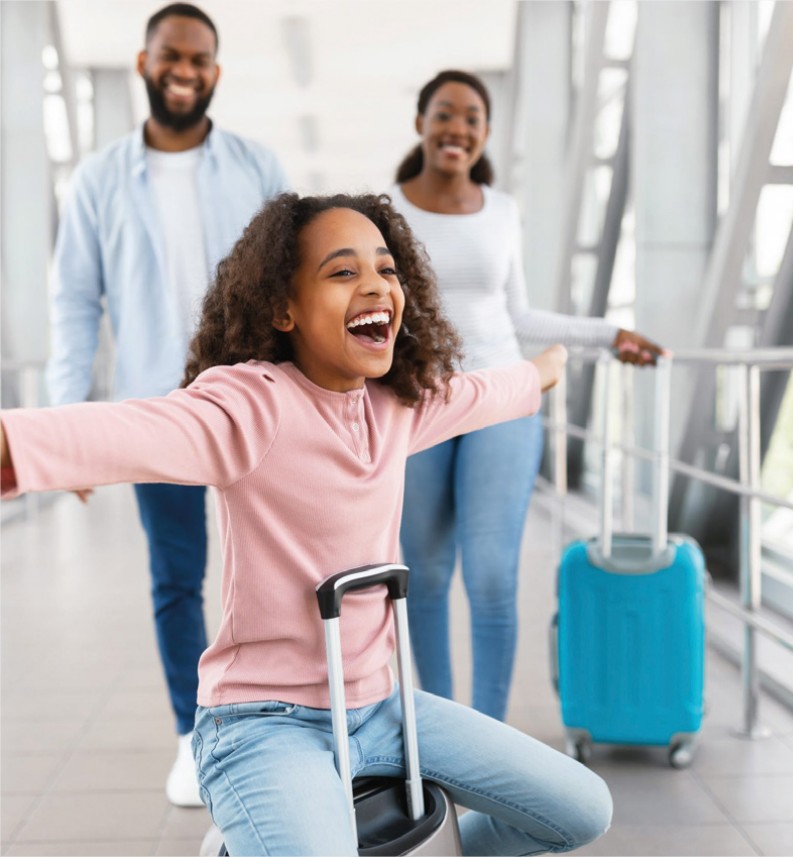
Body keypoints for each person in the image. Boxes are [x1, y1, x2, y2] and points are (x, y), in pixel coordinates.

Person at [1, 192, 613, 856]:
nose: (376, 285)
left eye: (386, 269)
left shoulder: (397, 406)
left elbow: (484, 392)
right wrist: (23, 447)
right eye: (343, 272)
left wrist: (546, 367)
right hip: (261, 723)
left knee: (579, 808)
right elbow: (136, 426)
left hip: (383, 708)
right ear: (282, 308)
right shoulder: (250, 402)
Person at [45, 3, 289, 805]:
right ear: (144, 63)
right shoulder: (99, 178)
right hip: (161, 408)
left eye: (200, 59)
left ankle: (288, 726)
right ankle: (195, 738)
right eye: (170, 56)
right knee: (177, 577)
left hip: (258, 396)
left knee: (280, 571)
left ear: (215, 72)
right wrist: (64, 422)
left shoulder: (257, 166)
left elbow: (299, 278)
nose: (184, 70)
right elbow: (76, 300)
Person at [390, 69, 668, 722]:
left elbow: (517, 315)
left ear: (484, 133)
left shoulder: (502, 210)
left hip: (501, 398)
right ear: (420, 123)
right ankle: (438, 730)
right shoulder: (383, 211)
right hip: (417, 406)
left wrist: (607, 334)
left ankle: (487, 737)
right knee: (425, 575)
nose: (456, 128)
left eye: (470, 118)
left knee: (490, 575)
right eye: (443, 113)